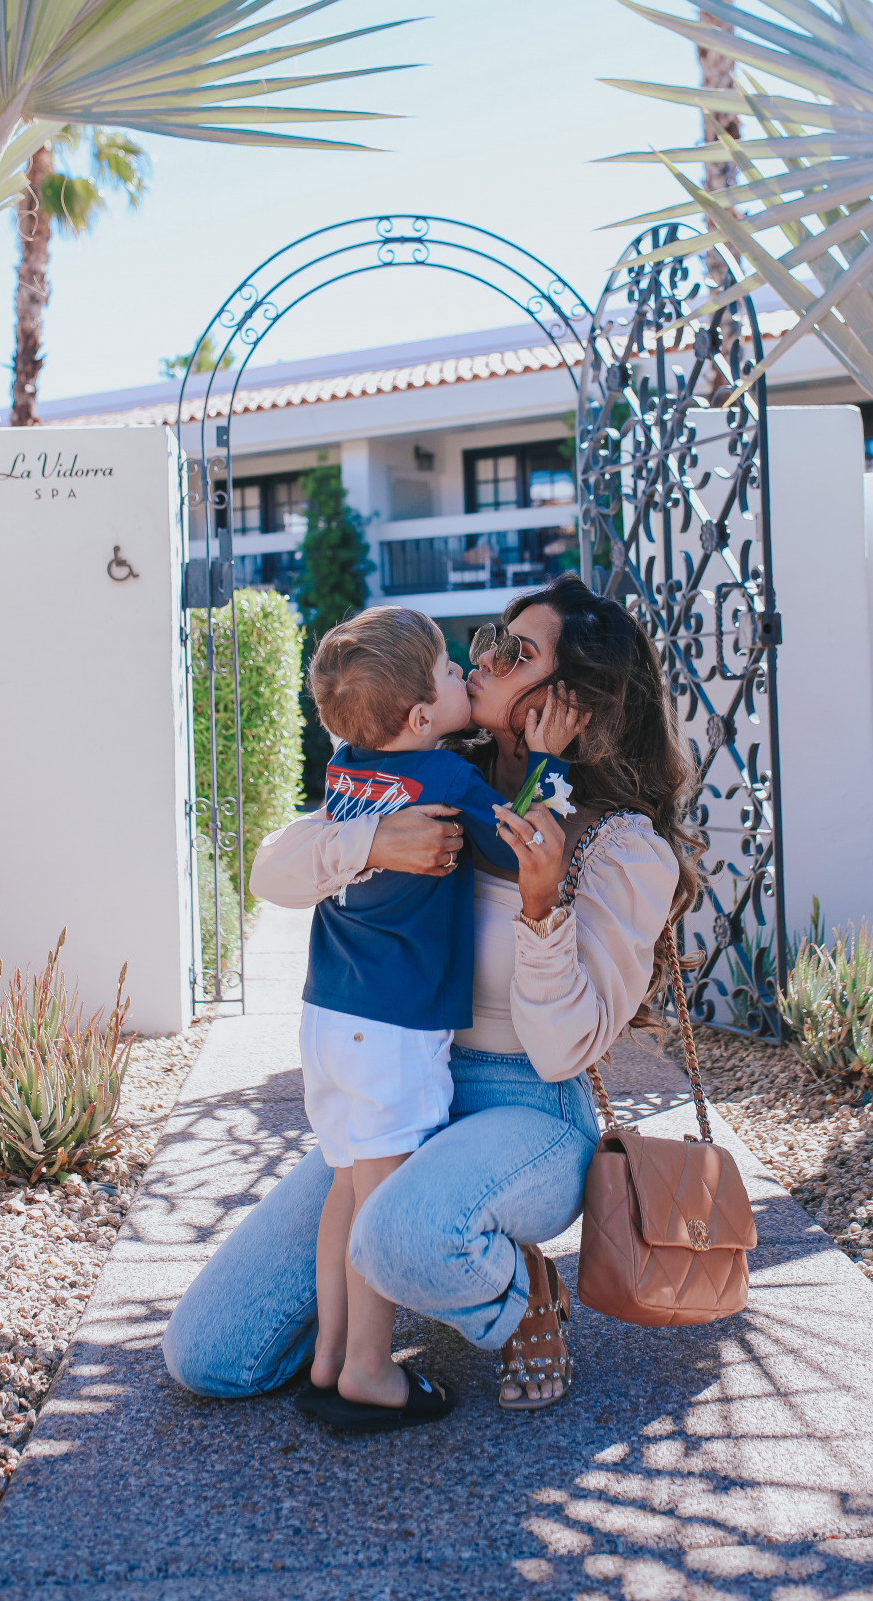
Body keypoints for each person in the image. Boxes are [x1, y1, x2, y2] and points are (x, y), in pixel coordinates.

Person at [162, 574, 701, 1414]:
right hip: (407, 1087)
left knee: (398, 1231)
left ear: (577, 701)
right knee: (210, 1354)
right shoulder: (428, 776)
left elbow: (565, 1047)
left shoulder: (622, 851)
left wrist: (537, 909)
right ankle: (393, 1301)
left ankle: (520, 1297)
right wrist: (370, 840)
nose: (481, 658)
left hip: (526, 1111)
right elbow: (273, 869)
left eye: (516, 653)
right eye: (489, 638)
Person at [294, 605, 575, 1434]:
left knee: (345, 1192)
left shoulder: (346, 768)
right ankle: (370, 1373)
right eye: (452, 674)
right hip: (392, 1030)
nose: (465, 675)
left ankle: (329, 1356)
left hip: (326, 1017)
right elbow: (513, 839)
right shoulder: (447, 780)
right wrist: (550, 760)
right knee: (383, 1211)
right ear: (421, 719)